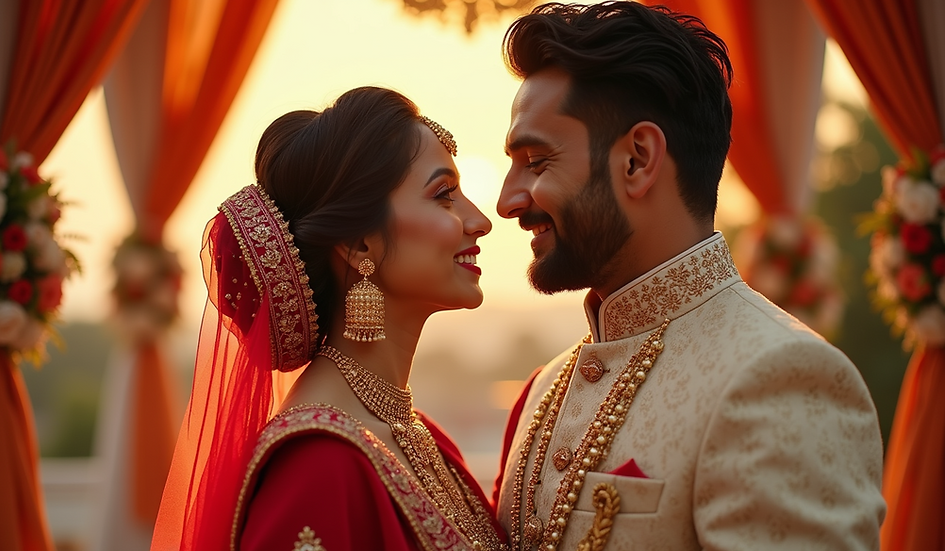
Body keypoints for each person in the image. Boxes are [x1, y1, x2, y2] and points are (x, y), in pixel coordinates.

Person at [492, 3, 885, 550]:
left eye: (537, 162)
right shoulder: (544, 391)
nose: (507, 201)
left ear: (637, 159)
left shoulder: (782, 376)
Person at [150, 87, 507, 551]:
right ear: (359, 244)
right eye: (444, 195)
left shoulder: (422, 437)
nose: (480, 221)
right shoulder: (317, 462)